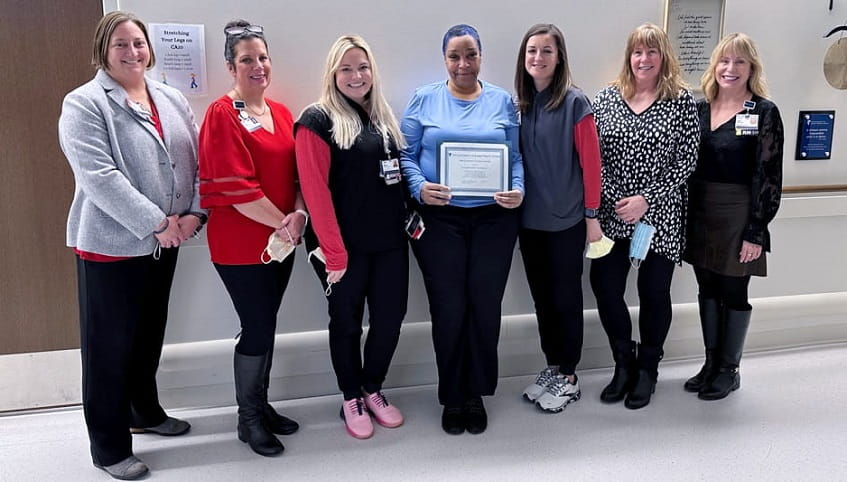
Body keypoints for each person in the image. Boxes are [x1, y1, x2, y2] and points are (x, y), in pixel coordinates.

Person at [58, 11, 200, 480]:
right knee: (108, 347)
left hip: (169, 239)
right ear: (103, 49)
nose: (132, 51)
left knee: (147, 336)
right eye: (121, 44)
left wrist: (195, 213)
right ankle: (109, 445)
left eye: (138, 42)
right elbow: (99, 177)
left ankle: (145, 412)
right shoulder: (83, 103)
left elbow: (195, 162)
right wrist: (157, 222)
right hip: (112, 244)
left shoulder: (171, 97)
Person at [400, 24, 524, 435]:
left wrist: (518, 189)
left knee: (485, 307)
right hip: (441, 220)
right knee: (449, 307)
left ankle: (476, 392)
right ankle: (452, 394)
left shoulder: (503, 101)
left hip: (494, 219)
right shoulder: (424, 99)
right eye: (455, 56)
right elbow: (406, 155)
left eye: (470, 55)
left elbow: (518, 158)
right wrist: (419, 187)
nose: (463, 64)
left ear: (481, 57)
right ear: (445, 60)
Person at [198, 20, 305, 457]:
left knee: (268, 324)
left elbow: (298, 173)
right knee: (257, 327)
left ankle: (261, 405)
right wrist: (286, 222)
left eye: (262, 57)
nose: (257, 65)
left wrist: (298, 214)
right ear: (230, 66)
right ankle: (247, 420)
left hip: (282, 239)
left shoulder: (280, 113)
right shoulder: (221, 115)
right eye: (246, 59)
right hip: (242, 244)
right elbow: (238, 190)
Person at [295, 35, 408, 439]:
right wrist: (334, 254)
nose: (356, 75)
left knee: (390, 320)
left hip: (390, 244)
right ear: (333, 74)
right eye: (346, 68)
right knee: (346, 323)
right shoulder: (316, 120)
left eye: (363, 67)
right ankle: (350, 397)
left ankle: (372, 387)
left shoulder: (382, 117)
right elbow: (315, 193)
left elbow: (395, 180)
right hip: (341, 249)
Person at [590, 23, 699, 410]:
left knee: (654, 293)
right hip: (611, 213)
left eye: (652, 52)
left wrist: (646, 199)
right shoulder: (605, 99)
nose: (644, 59)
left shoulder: (681, 101)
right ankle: (624, 362)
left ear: (663, 57)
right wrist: (615, 197)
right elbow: (592, 157)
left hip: (660, 218)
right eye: (638, 52)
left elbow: (687, 161)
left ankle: (649, 367)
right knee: (605, 288)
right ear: (629, 57)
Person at [683, 33, 783, 401]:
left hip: (739, 212)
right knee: (706, 287)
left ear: (751, 68)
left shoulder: (764, 112)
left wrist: (756, 230)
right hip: (700, 210)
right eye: (724, 61)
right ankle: (710, 364)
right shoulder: (698, 108)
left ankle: (729, 369)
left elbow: (769, 174)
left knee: (733, 289)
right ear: (715, 66)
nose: (731, 68)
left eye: (740, 62)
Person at [513, 24, 603, 413]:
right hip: (529, 223)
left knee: (566, 299)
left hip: (567, 222)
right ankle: (552, 366)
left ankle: (569, 375)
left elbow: (592, 164)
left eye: (546, 51)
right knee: (542, 300)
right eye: (532, 51)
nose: (538, 58)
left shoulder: (575, 103)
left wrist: (592, 216)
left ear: (559, 56)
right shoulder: (521, 104)